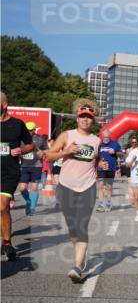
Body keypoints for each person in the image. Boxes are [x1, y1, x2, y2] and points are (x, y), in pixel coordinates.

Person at [44, 99, 105, 282]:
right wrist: (66, 152)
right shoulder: (66, 135)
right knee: (72, 227)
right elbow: (48, 156)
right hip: (66, 187)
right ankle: (81, 253)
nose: (85, 120)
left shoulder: (96, 141)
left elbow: (96, 160)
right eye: (82, 117)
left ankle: (77, 266)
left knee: (82, 225)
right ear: (77, 119)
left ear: (92, 121)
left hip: (87, 187)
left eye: (88, 118)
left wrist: (100, 163)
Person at [1, 91, 34, 260]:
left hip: (9, 172)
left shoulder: (17, 124)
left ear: (4, 105)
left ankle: (7, 243)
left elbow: (30, 145)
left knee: (2, 206)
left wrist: (21, 150)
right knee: (2, 209)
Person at [17, 122, 46, 215]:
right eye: (27, 130)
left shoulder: (40, 139)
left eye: (30, 130)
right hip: (24, 166)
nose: (29, 132)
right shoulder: (20, 139)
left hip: (37, 166)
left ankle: (32, 208)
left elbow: (48, 149)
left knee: (34, 188)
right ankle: (28, 201)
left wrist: (43, 151)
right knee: (22, 188)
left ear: (34, 130)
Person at [96, 129, 122, 212]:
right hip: (101, 168)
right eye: (104, 137)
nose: (106, 138)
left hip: (111, 168)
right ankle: (100, 204)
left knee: (108, 187)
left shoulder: (115, 144)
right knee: (100, 186)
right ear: (102, 136)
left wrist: (115, 152)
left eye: (107, 137)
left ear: (110, 136)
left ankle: (108, 203)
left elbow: (121, 153)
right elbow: (95, 155)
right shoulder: (99, 144)